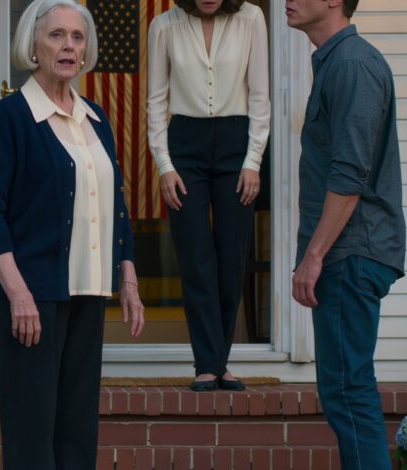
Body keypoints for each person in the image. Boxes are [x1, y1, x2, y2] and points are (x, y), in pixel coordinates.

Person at [0, 0, 145, 468]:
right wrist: (18, 296)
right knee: (32, 437)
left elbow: (116, 205)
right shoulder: (11, 117)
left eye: (77, 37)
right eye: (56, 35)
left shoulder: (96, 119)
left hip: (87, 290)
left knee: (77, 431)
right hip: (29, 297)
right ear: (33, 45)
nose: (68, 46)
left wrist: (127, 278)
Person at [287, 0, 406, 468]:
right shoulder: (337, 62)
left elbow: (350, 172)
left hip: (350, 252)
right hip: (350, 251)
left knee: (348, 392)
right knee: (345, 389)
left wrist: (314, 256)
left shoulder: (353, 65)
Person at [147, 0, 270, 392]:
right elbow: (156, 101)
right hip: (185, 146)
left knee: (231, 257)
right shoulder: (163, 25)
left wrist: (253, 160)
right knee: (196, 258)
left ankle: (220, 360)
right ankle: (208, 364)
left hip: (237, 144)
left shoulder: (251, 18)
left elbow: (260, 95)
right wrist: (164, 165)